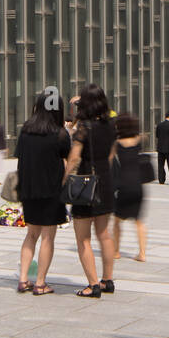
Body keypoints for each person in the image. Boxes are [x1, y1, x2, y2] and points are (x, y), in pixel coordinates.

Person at [15, 91, 71, 295]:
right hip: (52, 191)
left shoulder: (26, 131)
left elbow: (20, 160)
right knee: (48, 237)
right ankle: (40, 283)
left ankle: (23, 280)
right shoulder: (60, 134)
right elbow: (68, 161)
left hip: (28, 190)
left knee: (31, 235)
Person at [65, 84, 117, 297]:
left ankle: (92, 284)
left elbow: (75, 156)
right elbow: (112, 154)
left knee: (83, 238)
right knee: (104, 234)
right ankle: (108, 280)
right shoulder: (111, 125)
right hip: (105, 180)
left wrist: (64, 179)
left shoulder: (84, 127)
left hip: (86, 183)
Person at [112, 113, 149, 262]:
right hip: (138, 185)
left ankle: (116, 251)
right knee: (139, 221)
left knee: (116, 221)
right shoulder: (139, 140)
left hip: (123, 184)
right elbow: (144, 136)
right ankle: (142, 253)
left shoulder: (117, 143)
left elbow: (109, 160)